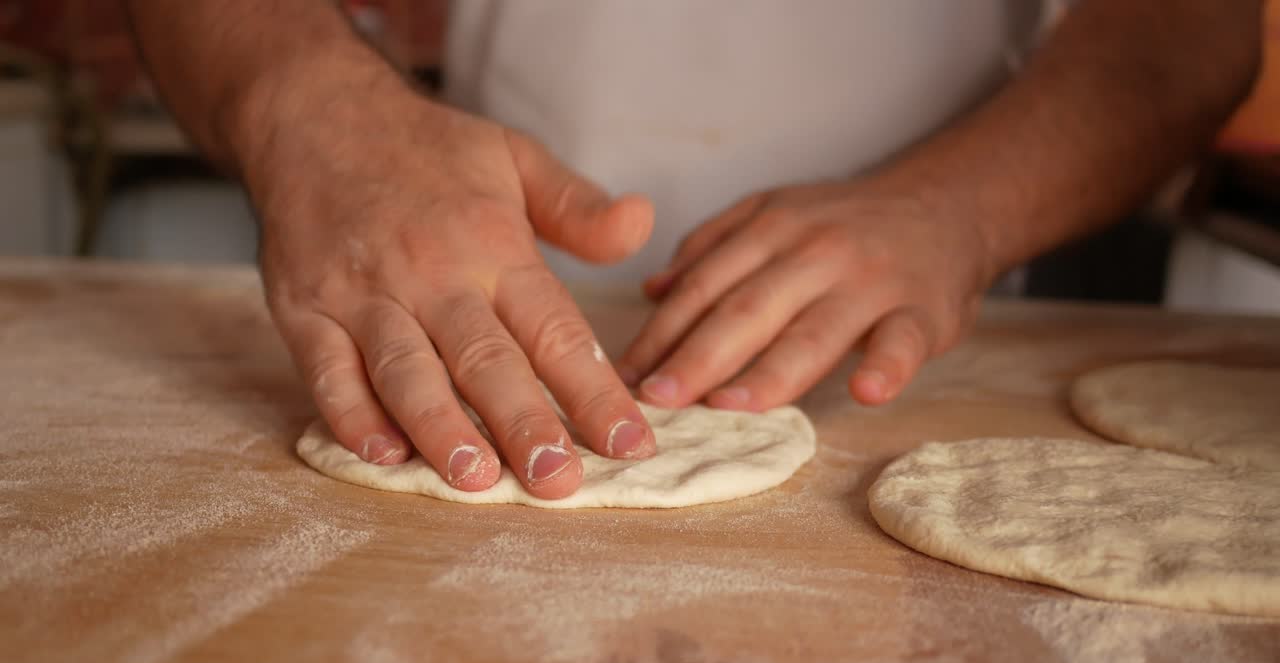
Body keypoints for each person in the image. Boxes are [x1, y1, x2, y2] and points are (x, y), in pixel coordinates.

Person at [123, 1, 1262, 500]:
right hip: (452, 290)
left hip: (915, 350)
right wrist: (309, 106)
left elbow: (1184, 20)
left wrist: (955, 211)